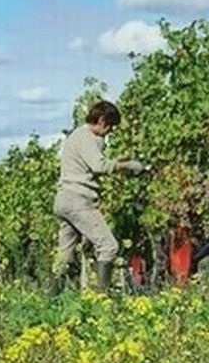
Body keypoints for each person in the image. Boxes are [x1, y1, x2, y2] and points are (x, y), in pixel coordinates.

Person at [49, 101, 145, 295]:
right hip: (78, 200)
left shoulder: (76, 136)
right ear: (101, 120)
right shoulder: (86, 137)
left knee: (65, 257)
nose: (109, 132)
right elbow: (99, 165)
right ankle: (100, 300)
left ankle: (51, 301)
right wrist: (129, 166)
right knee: (108, 246)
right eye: (109, 127)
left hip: (64, 200)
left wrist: (120, 162)